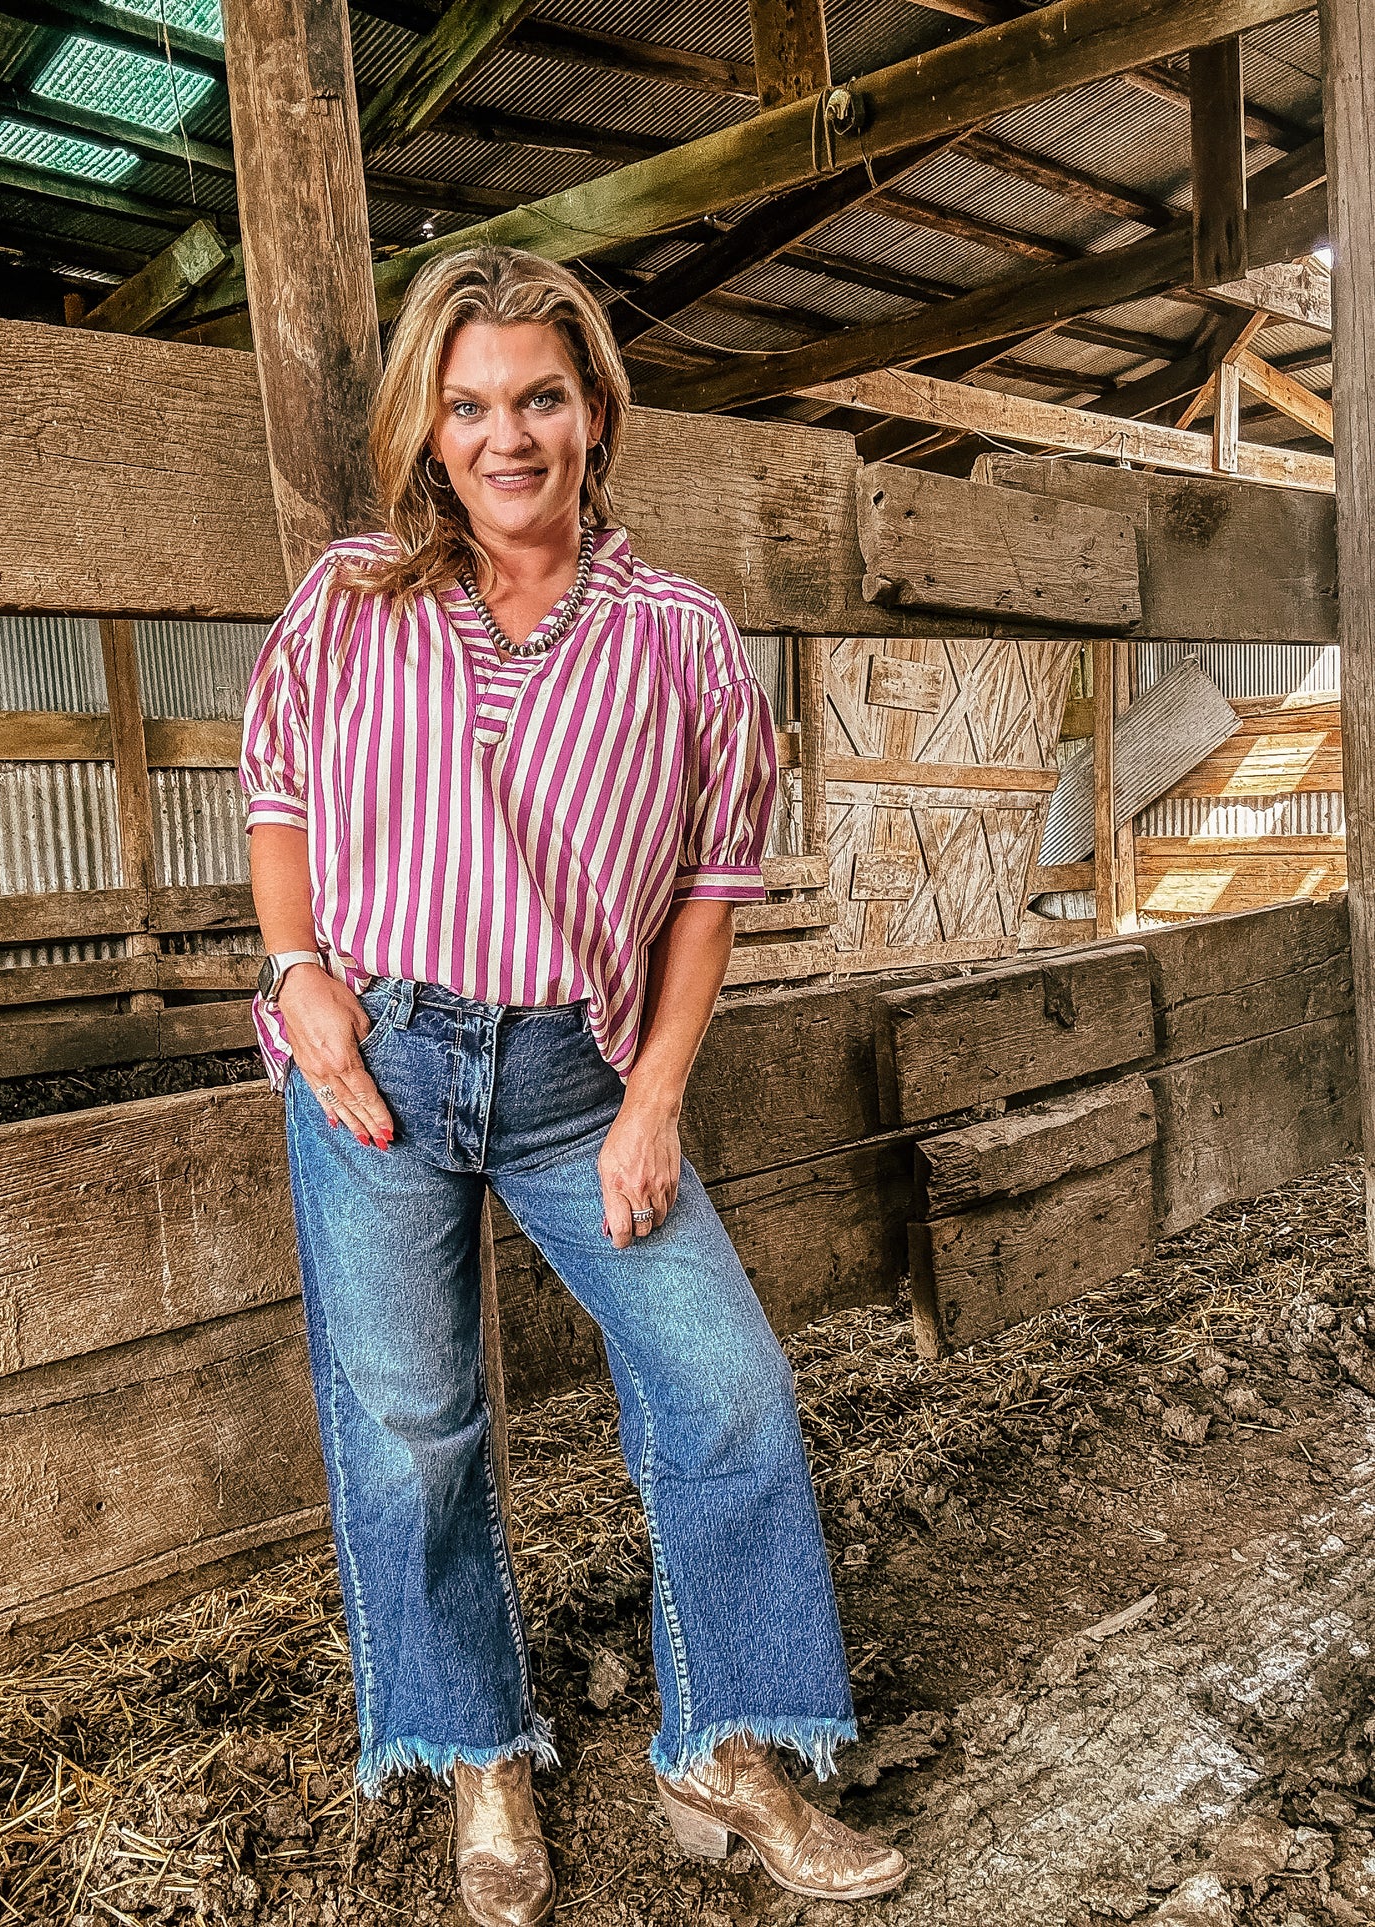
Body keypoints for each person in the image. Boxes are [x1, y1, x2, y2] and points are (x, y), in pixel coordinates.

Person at [240, 245, 908, 1927]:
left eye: (539, 396)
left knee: (728, 1395)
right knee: (412, 1433)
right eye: (468, 406)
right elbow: (276, 797)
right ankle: (479, 1752)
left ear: (596, 413)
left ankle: (722, 1743)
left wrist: (655, 1096)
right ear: (429, 426)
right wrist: (296, 976)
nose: (505, 435)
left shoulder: (682, 638)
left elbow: (710, 884)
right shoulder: (353, 598)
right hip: (376, 1070)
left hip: (568, 1082)